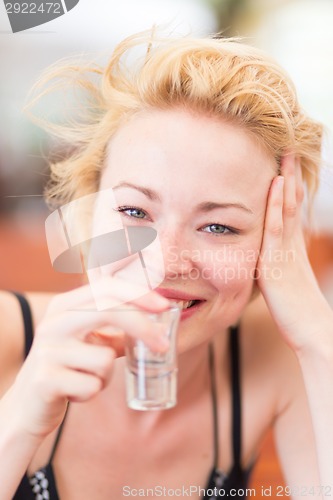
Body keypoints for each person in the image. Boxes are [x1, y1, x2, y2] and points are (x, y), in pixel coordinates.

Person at [1, 30, 333, 500]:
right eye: (135, 212)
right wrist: (17, 421)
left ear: (272, 241)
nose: (164, 263)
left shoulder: (280, 358)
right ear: (87, 209)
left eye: (218, 227)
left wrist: (319, 334)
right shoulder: (7, 338)